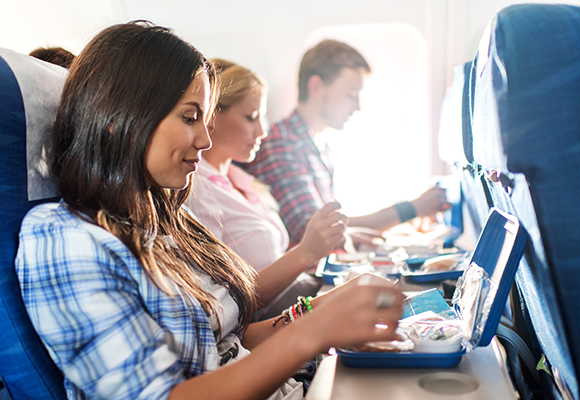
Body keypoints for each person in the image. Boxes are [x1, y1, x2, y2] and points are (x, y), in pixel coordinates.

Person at [14, 22, 403, 400]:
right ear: (118, 118)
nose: (204, 139)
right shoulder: (67, 239)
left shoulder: (163, 217)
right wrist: (313, 332)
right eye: (189, 117)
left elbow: (230, 343)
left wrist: (322, 309)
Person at [241, 39, 450, 248]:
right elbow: (318, 232)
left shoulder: (320, 147)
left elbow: (336, 224)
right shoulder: (281, 146)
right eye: (351, 94)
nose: (357, 106)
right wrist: (412, 209)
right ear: (316, 87)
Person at [186, 59, 345, 319]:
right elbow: (228, 303)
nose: (262, 131)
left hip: (296, 295)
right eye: (251, 117)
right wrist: (306, 252)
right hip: (268, 319)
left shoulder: (243, 181)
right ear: (211, 117)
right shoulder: (197, 190)